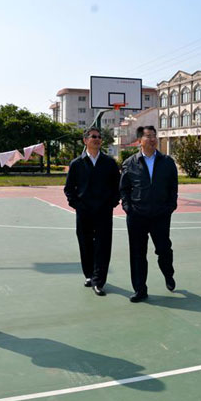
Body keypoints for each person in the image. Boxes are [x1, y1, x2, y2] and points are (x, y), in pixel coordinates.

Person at [120, 126, 178, 302]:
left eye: (154, 136)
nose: (153, 139)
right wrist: (128, 207)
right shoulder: (130, 163)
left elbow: (173, 187)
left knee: (164, 249)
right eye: (148, 136)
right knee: (137, 253)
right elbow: (124, 189)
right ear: (140, 141)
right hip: (137, 216)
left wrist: (170, 206)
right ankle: (140, 289)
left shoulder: (167, 162)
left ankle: (168, 273)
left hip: (160, 215)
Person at [64, 127, 120, 296]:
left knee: (103, 246)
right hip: (84, 212)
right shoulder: (76, 164)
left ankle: (99, 281)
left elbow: (117, 186)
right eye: (93, 136)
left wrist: (111, 203)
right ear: (85, 140)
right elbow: (69, 189)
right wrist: (77, 205)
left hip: (104, 212)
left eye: (99, 137)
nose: (97, 139)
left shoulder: (109, 163)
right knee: (85, 244)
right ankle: (89, 275)